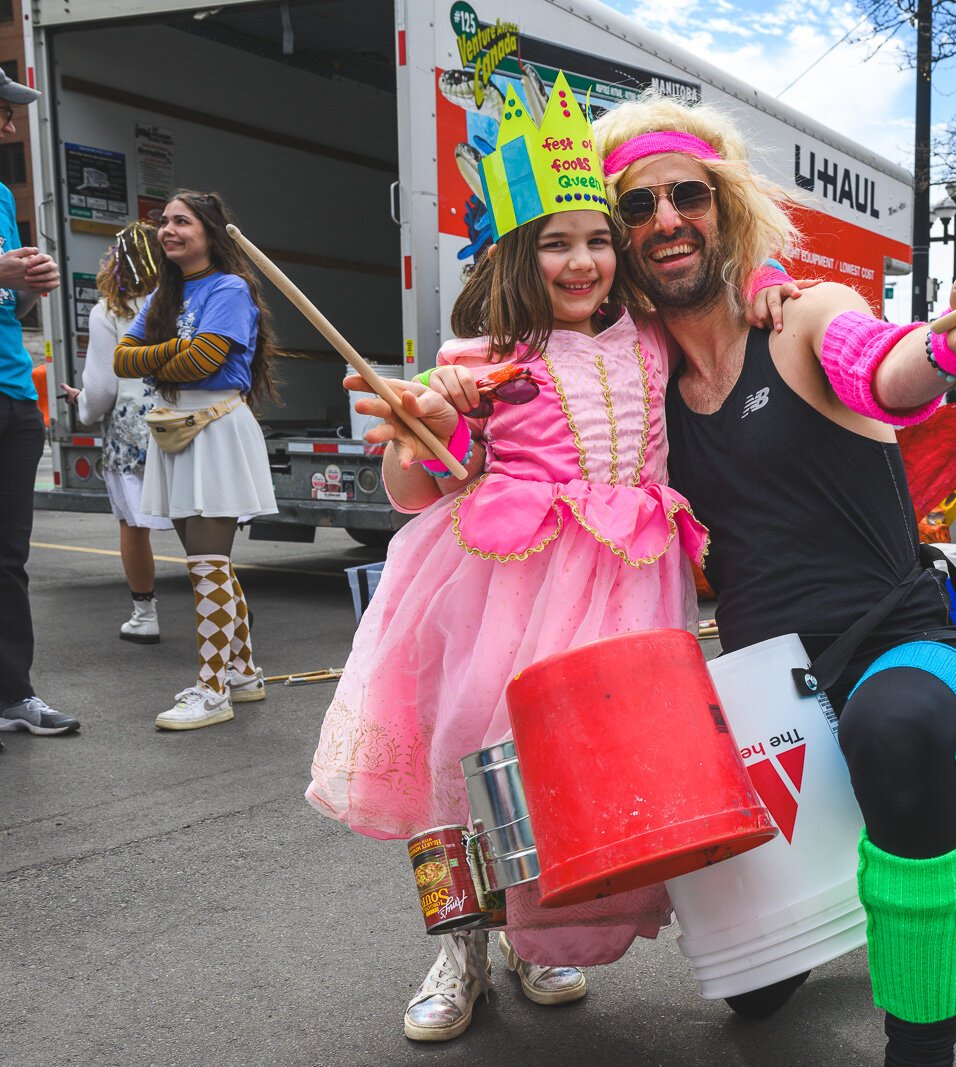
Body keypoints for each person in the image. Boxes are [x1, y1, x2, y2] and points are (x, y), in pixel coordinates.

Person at [303, 73, 801, 1043]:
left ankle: (540, 937)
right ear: (514, 253)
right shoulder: (479, 353)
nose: (582, 262)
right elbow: (420, 491)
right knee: (464, 766)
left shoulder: (650, 334)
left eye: (595, 239)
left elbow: (734, 287)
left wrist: (771, 284)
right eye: (554, 243)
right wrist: (423, 432)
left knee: (574, 775)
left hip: (624, 589)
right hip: (499, 584)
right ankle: (459, 947)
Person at [594, 97, 956, 1067]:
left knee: (886, 736)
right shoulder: (638, 388)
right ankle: (866, 872)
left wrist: (944, 345)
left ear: (726, 208)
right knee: (754, 995)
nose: (666, 219)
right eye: (637, 208)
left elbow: (884, 367)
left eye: (688, 195)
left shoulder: (804, 314)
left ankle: (920, 1044)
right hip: (772, 703)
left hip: (908, 652)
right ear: (621, 238)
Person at [112, 191, 277, 730]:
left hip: (215, 429)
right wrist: (171, 357)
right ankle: (243, 674)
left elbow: (206, 359)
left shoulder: (229, 287)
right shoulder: (166, 291)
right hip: (177, 430)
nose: (168, 230)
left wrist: (156, 358)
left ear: (210, 231)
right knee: (213, 567)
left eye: (182, 221)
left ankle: (212, 691)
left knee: (207, 566)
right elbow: (121, 360)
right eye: (164, 222)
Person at [0, 67, 78, 745]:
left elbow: (7, 298)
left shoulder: (0, 193)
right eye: (2, 111)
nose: (11, 124)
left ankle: (14, 693)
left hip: (13, 393)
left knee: (8, 556)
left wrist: (32, 286)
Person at [61, 222, 171, 644]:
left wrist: (82, 404)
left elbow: (104, 387)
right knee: (196, 522)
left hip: (132, 435)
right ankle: (224, 607)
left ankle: (145, 616)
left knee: (132, 524)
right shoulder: (181, 303)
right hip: (183, 424)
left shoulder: (111, 311)